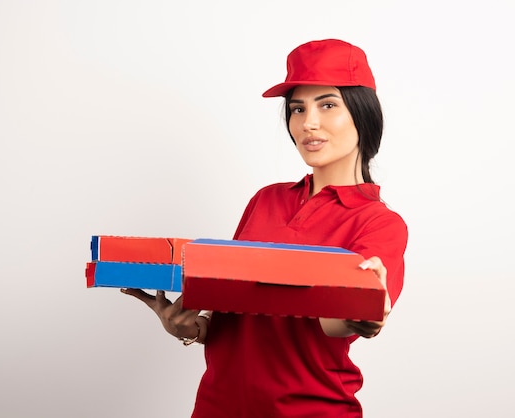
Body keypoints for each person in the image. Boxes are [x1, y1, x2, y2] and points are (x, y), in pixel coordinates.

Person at [121, 38, 408, 417]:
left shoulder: (379, 223)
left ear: (363, 113)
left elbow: (343, 323)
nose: (309, 123)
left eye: (327, 104)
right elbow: (236, 315)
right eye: (297, 108)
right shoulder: (266, 200)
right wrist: (190, 329)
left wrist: (365, 311)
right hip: (217, 407)